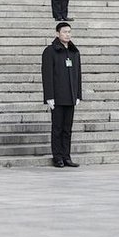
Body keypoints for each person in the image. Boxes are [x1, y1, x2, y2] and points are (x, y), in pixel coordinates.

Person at [41, 22, 82, 168]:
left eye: (69, 32)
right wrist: (49, 96)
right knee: (57, 128)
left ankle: (66, 156)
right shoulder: (50, 51)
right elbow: (47, 75)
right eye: (64, 32)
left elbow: (78, 75)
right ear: (57, 34)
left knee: (67, 129)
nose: (67, 34)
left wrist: (78, 94)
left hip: (70, 96)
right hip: (57, 97)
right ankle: (57, 157)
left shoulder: (74, 52)